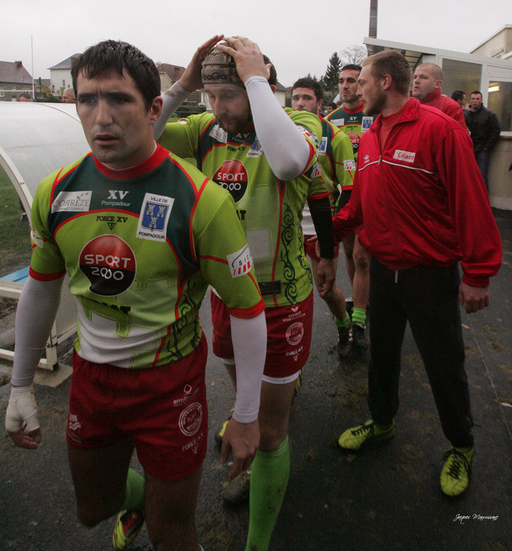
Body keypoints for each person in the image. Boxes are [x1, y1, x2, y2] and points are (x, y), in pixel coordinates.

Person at [5, 40, 267, 551]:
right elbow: (40, 287)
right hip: (92, 381)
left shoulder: (201, 201)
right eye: (87, 99)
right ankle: (147, 499)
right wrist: (20, 386)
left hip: (170, 386)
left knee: (173, 535)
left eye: (119, 99)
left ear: (153, 109)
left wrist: (247, 414)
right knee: (92, 510)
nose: (101, 117)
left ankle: (165, 506)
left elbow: (247, 309)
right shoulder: (56, 191)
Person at [154, 36, 335, 551]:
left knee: (271, 429)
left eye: (227, 96)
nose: (218, 108)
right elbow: (141, 135)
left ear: (260, 88)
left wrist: (257, 81)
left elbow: (289, 164)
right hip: (228, 300)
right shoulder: (205, 129)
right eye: (210, 96)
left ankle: (258, 539)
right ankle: (254, 438)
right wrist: (183, 86)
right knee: (244, 398)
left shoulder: (298, 123)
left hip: (281, 301)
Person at [333, 50, 502, 497]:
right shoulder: (372, 134)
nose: (356, 90)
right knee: (383, 357)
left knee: (444, 365)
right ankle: (381, 422)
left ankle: (461, 445)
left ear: (385, 82)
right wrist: (332, 231)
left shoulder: (440, 129)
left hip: (430, 275)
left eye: (362, 81)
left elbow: (470, 202)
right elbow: (361, 200)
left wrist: (478, 274)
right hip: (384, 270)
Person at [290, 77, 356, 358]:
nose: (299, 103)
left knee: (325, 290)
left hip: (320, 226)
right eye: (295, 98)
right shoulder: (281, 130)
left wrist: (332, 234)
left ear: (319, 103)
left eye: (306, 98)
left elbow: (349, 190)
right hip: (288, 225)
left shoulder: (335, 137)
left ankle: (344, 326)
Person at [325, 64, 373, 353]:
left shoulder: (374, 113)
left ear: (361, 84)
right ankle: (359, 301)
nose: (345, 85)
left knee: (364, 257)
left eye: (351, 80)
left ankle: (362, 316)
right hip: (346, 198)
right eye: (341, 80)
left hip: (373, 197)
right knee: (351, 254)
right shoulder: (331, 120)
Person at [464, 90, 501, 191]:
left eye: (477, 99)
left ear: (481, 100)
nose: (475, 101)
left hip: (482, 149)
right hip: (469, 148)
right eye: (473, 99)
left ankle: (484, 199)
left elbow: (496, 130)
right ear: (470, 100)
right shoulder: (466, 114)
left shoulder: (489, 115)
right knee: (468, 175)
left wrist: (487, 146)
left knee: (481, 176)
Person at [412, 63, 467, 127]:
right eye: (415, 77)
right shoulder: (408, 104)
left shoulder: (450, 107)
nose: (416, 81)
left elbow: (457, 132)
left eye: (423, 77)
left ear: (437, 84)